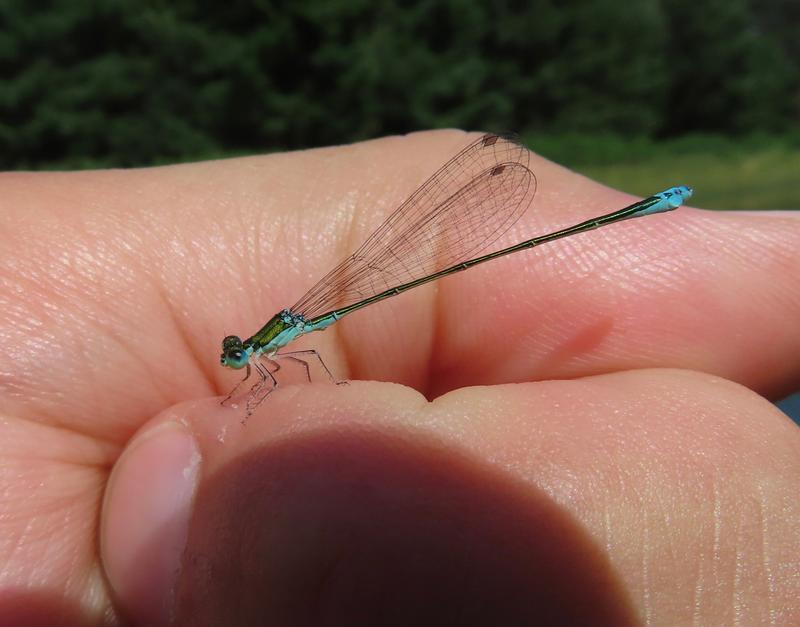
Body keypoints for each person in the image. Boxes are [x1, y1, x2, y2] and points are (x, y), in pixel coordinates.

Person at [1, 130, 798, 626]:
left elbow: (300, 364)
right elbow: (296, 366)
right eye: (244, 354)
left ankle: (652, 206)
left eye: (245, 355)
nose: (243, 360)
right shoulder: (275, 347)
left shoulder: (281, 345)